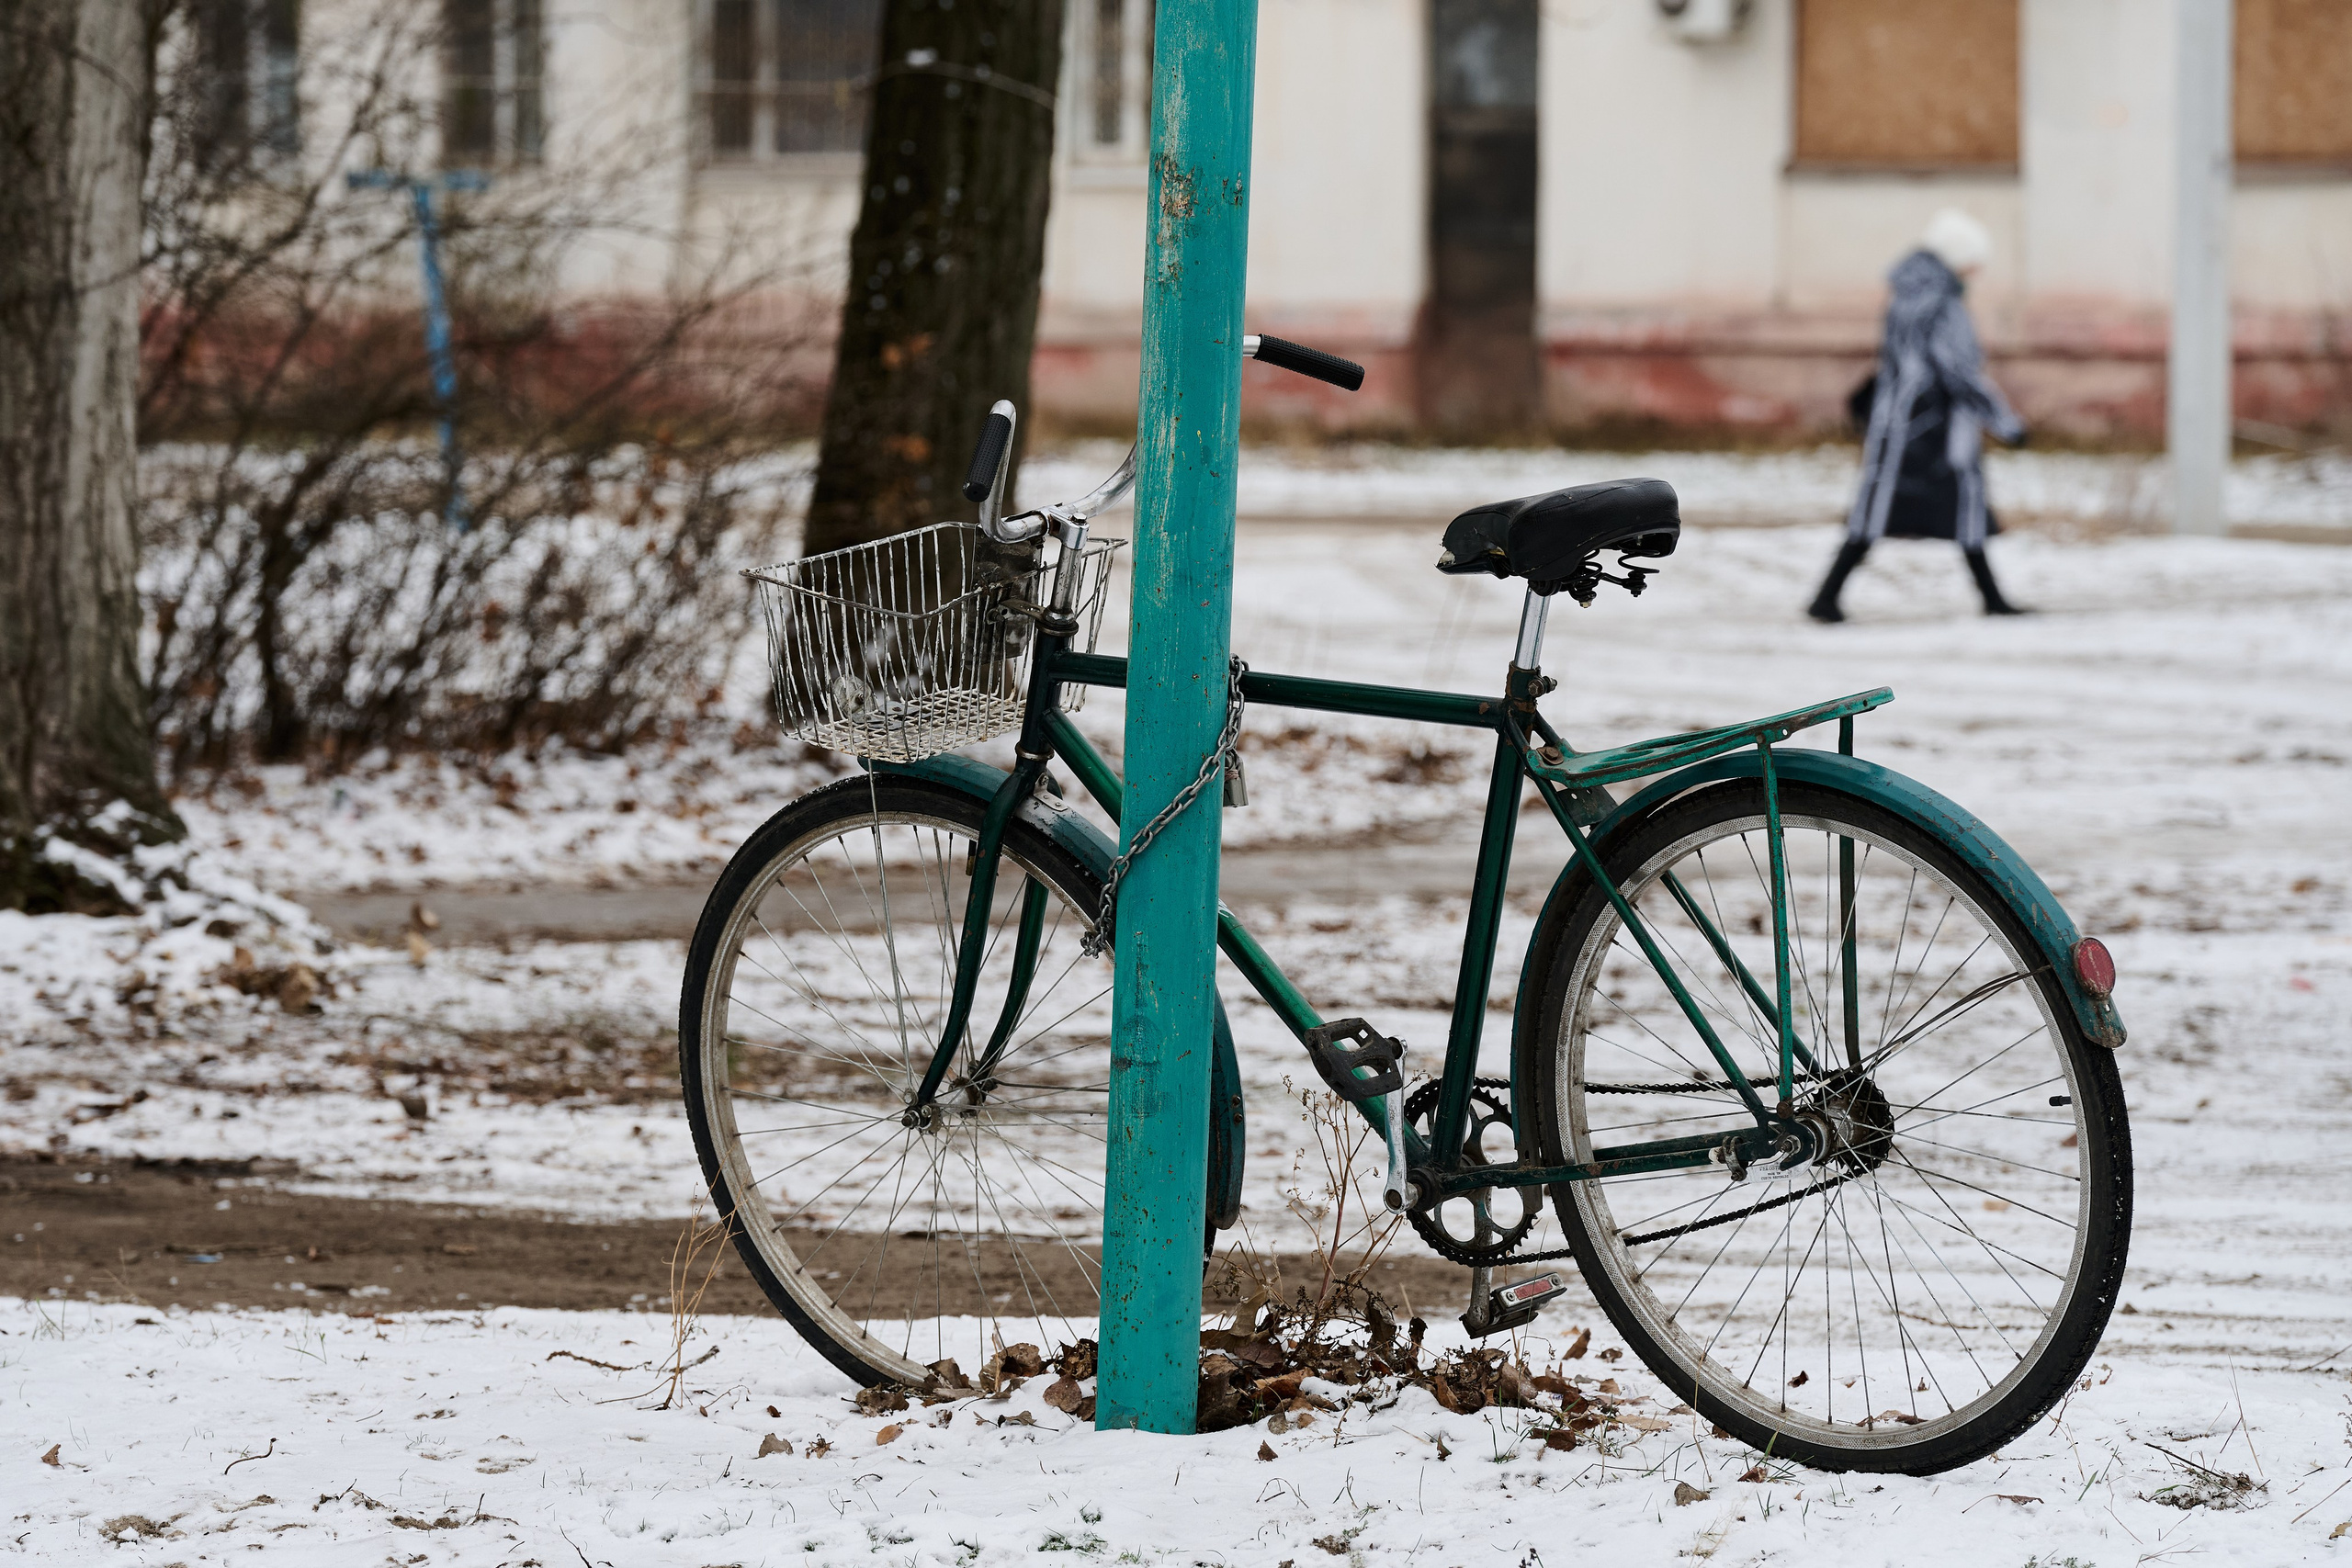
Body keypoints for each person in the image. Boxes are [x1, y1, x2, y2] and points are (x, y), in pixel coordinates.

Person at [1808, 208, 2030, 623]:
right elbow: (1959, 371)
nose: (1976, 272)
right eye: (1972, 261)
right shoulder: (1943, 304)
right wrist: (2006, 423)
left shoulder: (1904, 297)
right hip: (1938, 427)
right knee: (1963, 505)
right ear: (1956, 258)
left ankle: (1827, 595)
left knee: (1878, 510)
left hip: (1896, 425)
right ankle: (1993, 599)